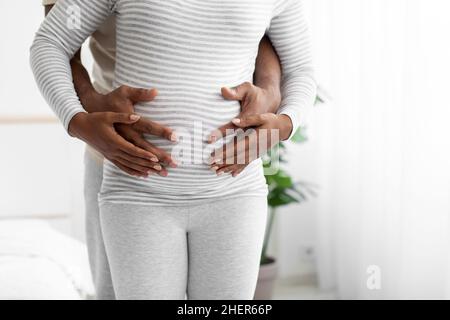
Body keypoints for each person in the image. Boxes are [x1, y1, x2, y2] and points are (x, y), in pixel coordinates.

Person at [33, 0, 316, 300]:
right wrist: (77, 120)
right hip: (136, 189)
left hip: (234, 193)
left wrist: (284, 123)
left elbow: (298, 66)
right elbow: (51, 42)